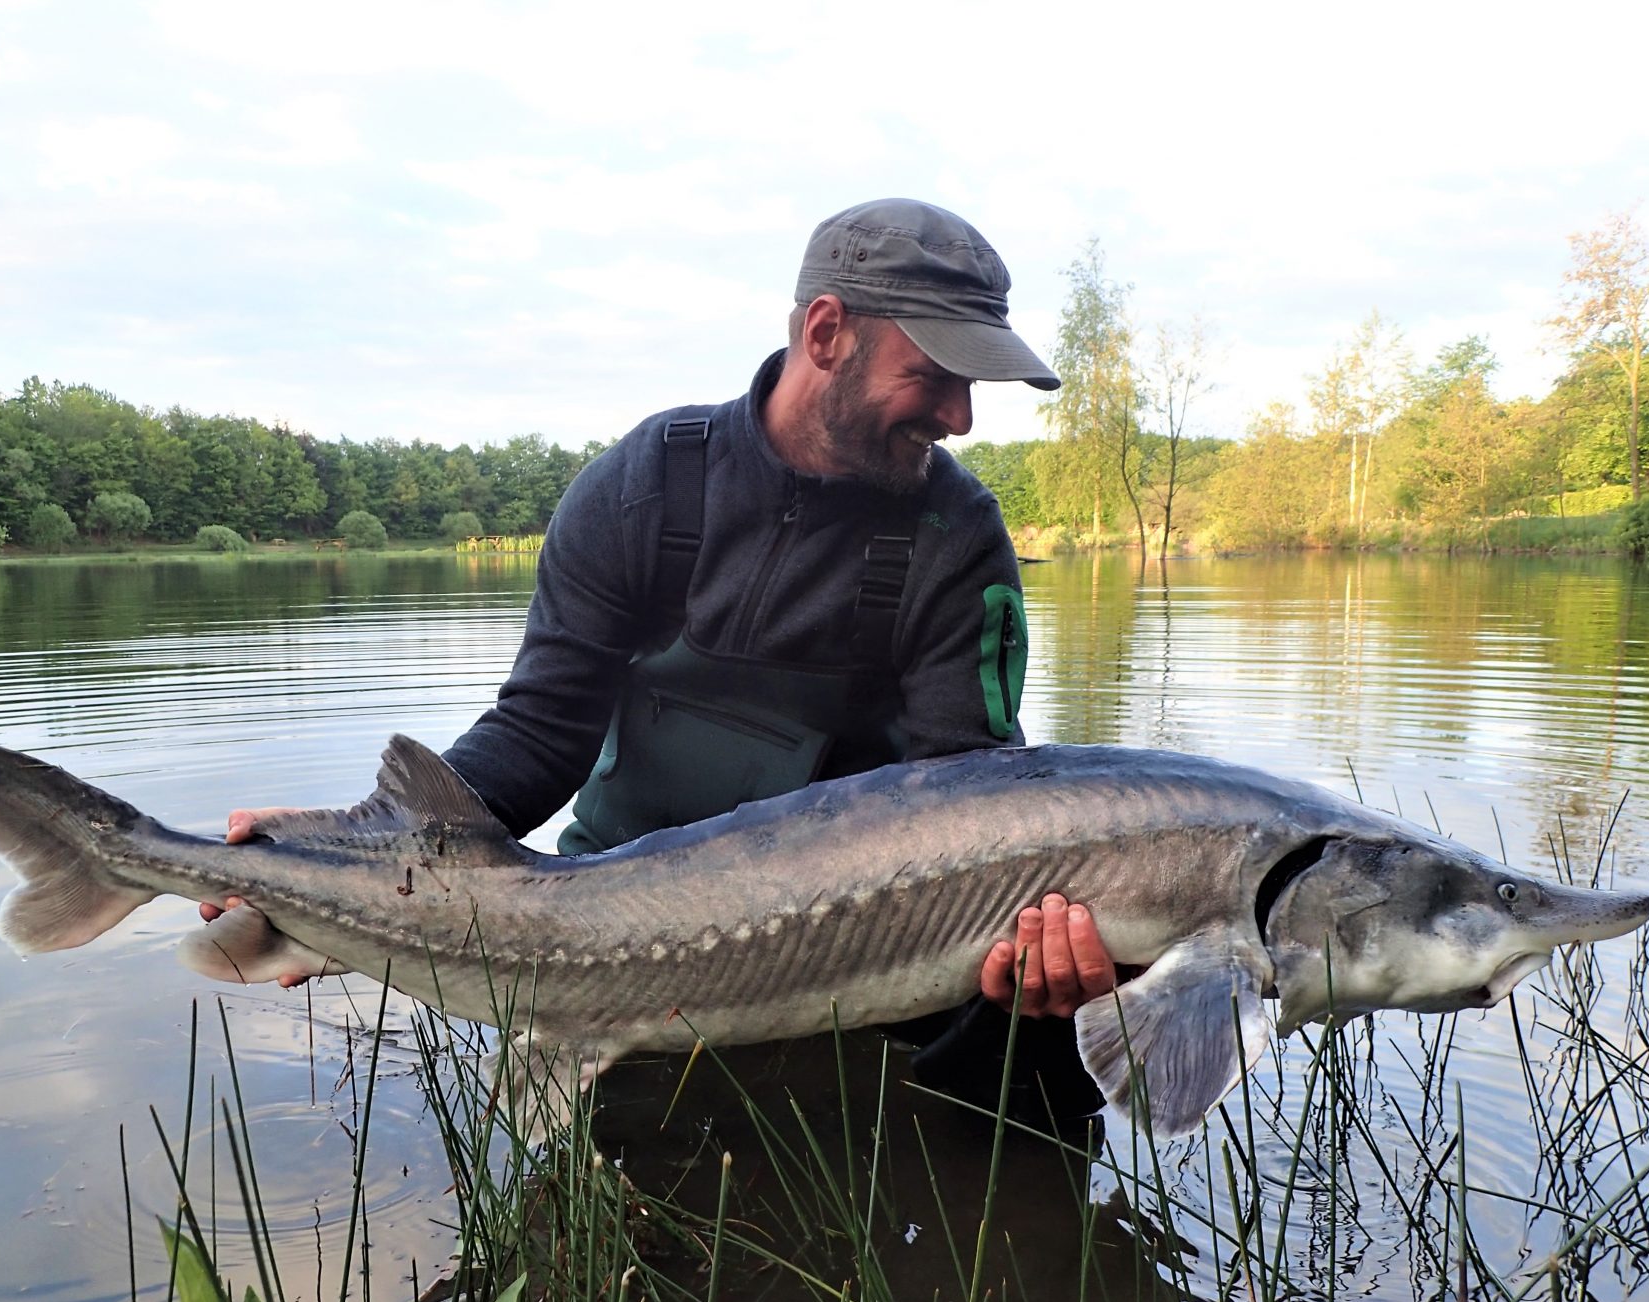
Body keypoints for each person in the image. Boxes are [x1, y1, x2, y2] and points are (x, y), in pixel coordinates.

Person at [206, 198, 1116, 1123]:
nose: (961, 416)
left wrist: (1039, 954)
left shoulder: (955, 537)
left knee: (1037, 1083)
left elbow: (974, 794)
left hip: (863, 929)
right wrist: (359, 847)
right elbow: (538, 734)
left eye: (974, 385)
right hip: (606, 930)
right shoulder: (646, 488)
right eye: (935, 376)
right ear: (827, 332)